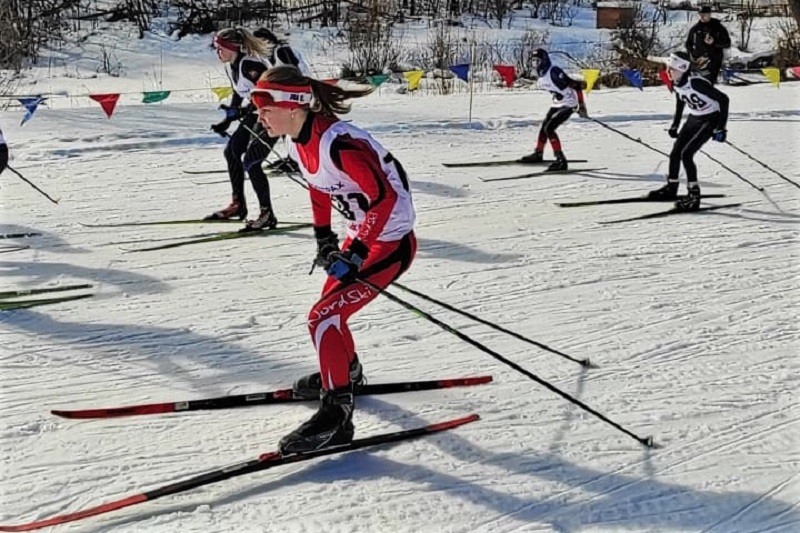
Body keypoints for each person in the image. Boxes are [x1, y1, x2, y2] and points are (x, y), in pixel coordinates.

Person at [250, 65, 416, 454]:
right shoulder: (298, 139)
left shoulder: (339, 143)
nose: (258, 114)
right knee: (325, 316)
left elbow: (385, 199)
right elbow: (319, 187)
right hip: (363, 236)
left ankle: (337, 415)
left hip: (390, 243)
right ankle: (347, 374)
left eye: (264, 105)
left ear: (293, 106)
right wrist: (324, 238)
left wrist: (356, 252)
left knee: (322, 316)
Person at [207, 27, 279, 229]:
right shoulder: (236, 65)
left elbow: (270, 92)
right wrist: (229, 118)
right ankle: (238, 204)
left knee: (252, 161)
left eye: (220, 48)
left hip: (273, 114)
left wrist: (245, 110)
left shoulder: (250, 64)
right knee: (231, 152)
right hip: (256, 114)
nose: (217, 53)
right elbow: (240, 94)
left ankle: (267, 214)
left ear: (232, 47)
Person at [649, 51, 729, 211]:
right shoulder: (677, 82)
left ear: (682, 68)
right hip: (695, 117)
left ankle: (694, 195)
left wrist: (721, 127)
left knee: (686, 155)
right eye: (667, 68)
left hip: (710, 118)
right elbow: (680, 102)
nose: (668, 71)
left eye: (671, 68)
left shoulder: (695, 83)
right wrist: (675, 125)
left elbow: (723, 99)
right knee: (675, 153)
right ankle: (672, 188)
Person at [520, 48, 588, 171]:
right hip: (557, 103)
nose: (535, 63)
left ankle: (561, 160)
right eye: (533, 61)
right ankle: (538, 153)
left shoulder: (554, 72)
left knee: (549, 128)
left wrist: (581, 105)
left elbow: (576, 86)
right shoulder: (540, 74)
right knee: (544, 127)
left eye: (537, 60)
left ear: (544, 60)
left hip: (569, 104)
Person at [685, 5, 731, 85]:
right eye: (701, 14)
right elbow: (688, 43)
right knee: (697, 84)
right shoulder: (695, 29)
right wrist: (692, 54)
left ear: (710, 14)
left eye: (705, 14)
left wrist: (714, 43)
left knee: (708, 84)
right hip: (699, 61)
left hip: (714, 60)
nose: (702, 16)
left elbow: (727, 43)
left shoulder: (718, 27)